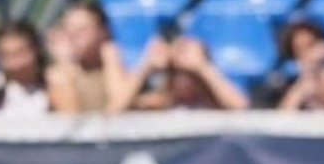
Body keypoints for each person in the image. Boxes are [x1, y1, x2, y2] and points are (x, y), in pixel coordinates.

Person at [0, 21, 77, 114]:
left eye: (20, 53)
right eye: (6, 55)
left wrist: (67, 68)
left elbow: (72, 116)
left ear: (36, 50)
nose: (15, 62)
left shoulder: (52, 85)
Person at [107, 35, 251, 112]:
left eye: (190, 74)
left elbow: (241, 108)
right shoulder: (160, 104)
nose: (182, 80)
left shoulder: (215, 106)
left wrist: (202, 67)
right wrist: (146, 66)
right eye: (175, 72)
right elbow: (115, 111)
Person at [45, 2, 129, 113]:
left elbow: (118, 106)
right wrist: (65, 65)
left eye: (81, 30)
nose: (73, 35)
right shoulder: (57, 75)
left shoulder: (119, 63)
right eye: (68, 29)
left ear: (103, 31)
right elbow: (71, 116)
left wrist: (112, 60)